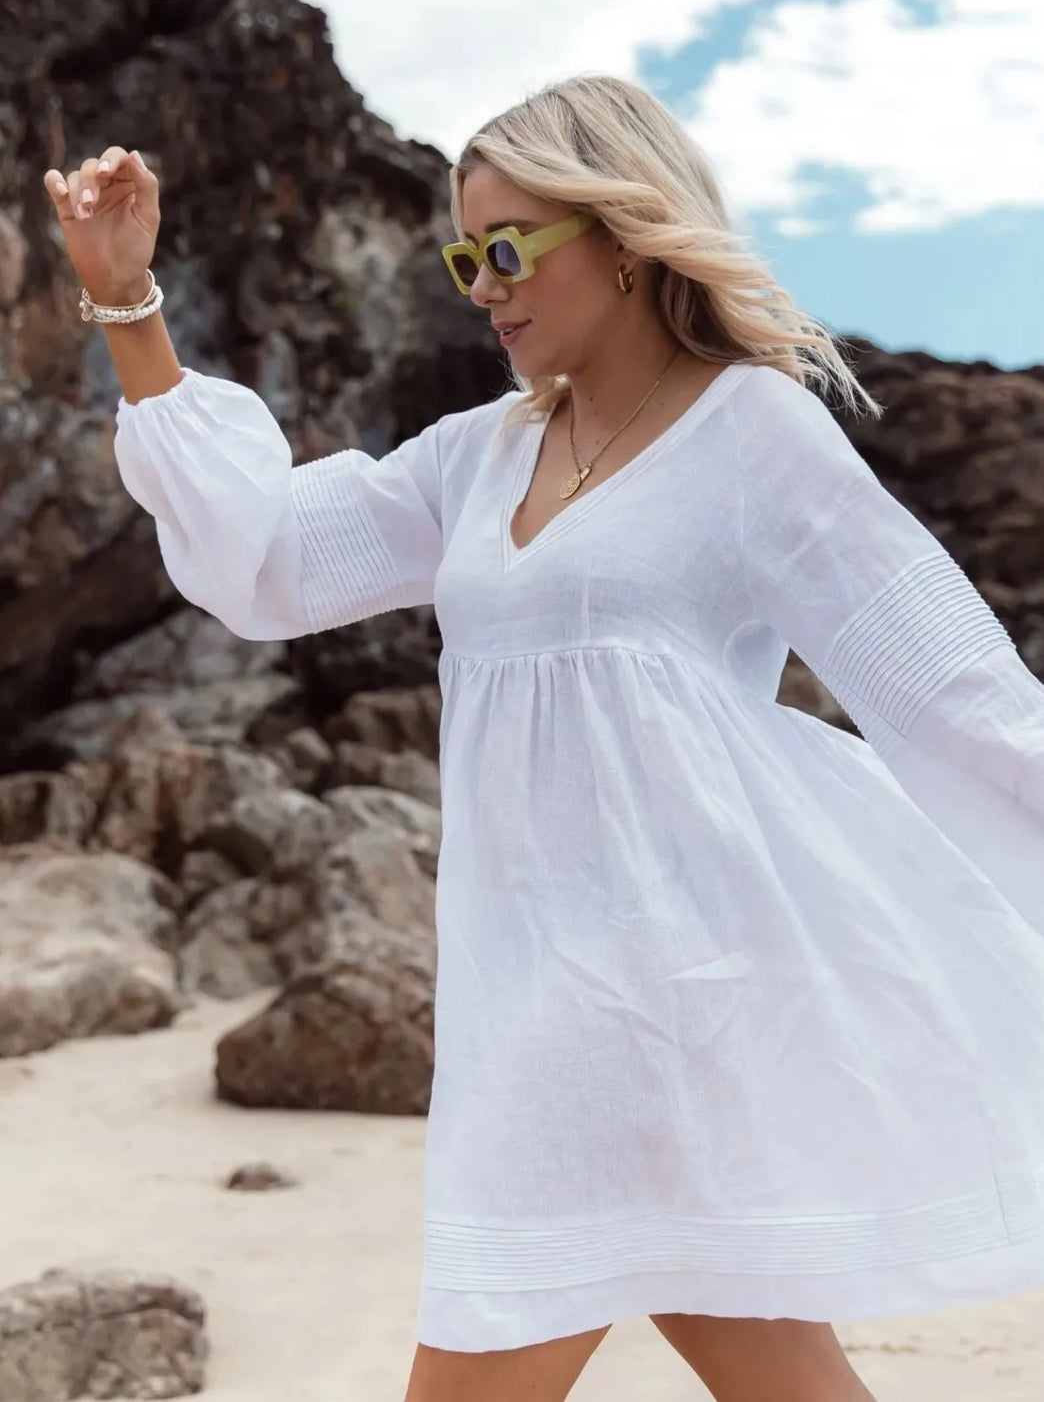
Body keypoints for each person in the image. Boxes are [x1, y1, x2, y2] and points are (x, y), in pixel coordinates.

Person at [42, 72, 1044, 1402]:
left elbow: (952, 694)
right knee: (780, 1374)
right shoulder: (479, 456)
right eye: (465, 259)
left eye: (508, 250)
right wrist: (128, 302)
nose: (483, 289)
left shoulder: (756, 431)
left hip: (682, 998)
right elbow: (272, 559)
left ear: (623, 239)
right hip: (538, 1002)